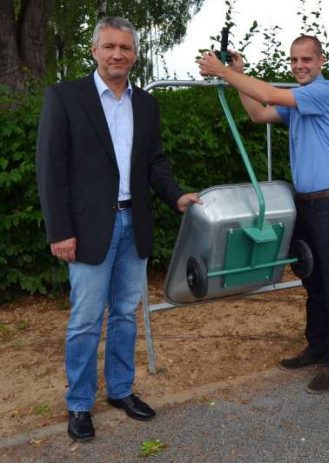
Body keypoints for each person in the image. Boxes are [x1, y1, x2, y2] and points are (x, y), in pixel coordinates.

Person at [36, 17, 200, 442]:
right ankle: (79, 403)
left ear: (134, 55)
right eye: (109, 46)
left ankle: (121, 390)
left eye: (125, 48)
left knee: (126, 313)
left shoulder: (145, 104)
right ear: (94, 50)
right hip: (88, 228)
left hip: (134, 223)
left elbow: (155, 164)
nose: (117, 55)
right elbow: (50, 170)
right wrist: (59, 231)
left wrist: (177, 196)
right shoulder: (65, 97)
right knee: (86, 319)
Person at [197, 35, 329, 394]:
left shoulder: (324, 92)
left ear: (321, 60)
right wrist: (239, 75)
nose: (299, 66)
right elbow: (257, 112)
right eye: (294, 60)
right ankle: (316, 346)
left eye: (306, 60)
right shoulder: (299, 102)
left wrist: (222, 71)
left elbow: (269, 95)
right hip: (307, 203)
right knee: (312, 279)